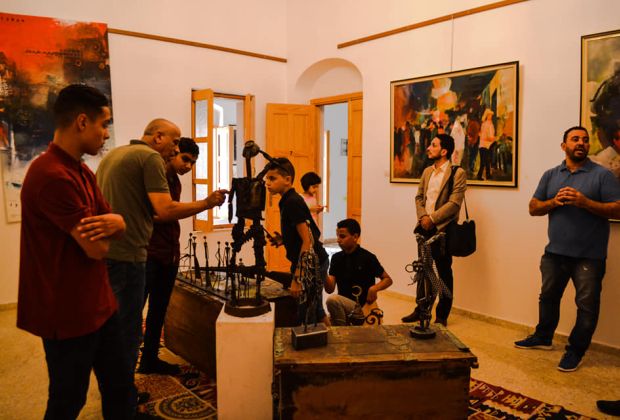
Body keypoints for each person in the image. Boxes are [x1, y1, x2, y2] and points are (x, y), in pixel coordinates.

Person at [17, 84, 134, 419]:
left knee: (120, 386)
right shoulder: (52, 176)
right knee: (68, 399)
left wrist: (119, 222)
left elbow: (115, 222)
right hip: (67, 311)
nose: (106, 133)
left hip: (99, 302)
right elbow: (97, 248)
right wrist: (115, 224)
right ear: (82, 122)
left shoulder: (81, 170)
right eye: (104, 124)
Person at [96, 118, 227, 411]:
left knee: (146, 316)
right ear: (158, 137)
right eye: (176, 145)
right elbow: (162, 212)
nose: (177, 151)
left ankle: (141, 370)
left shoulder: (117, 156)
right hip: (138, 254)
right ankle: (122, 397)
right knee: (128, 326)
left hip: (141, 253)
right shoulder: (150, 160)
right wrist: (207, 203)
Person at [514, 126, 620, 372]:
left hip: (589, 257)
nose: (581, 143)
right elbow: (533, 207)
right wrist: (553, 202)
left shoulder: (603, 175)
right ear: (564, 146)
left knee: (586, 307)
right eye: (575, 139)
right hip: (554, 253)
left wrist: (585, 202)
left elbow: (617, 209)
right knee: (548, 298)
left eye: (584, 140)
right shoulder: (551, 175)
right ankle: (543, 337)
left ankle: (575, 351)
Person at [138, 137, 199, 375]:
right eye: (185, 159)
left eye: (192, 163)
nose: (188, 166)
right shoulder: (156, 178)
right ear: (173, 153)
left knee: (158, 311)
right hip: (149, 254)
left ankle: (149, 360)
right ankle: (124, 372)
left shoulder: (175, 181)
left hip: (168, 254)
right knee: (133, 313)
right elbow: (155, 214)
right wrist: (205, 204)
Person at [401, 133, 466, 326]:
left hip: (442, 231)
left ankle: (442, 316)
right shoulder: (427, 171)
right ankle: (421, 309)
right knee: (423, 271)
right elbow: (419, 197)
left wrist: (432, 219)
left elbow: (454, 203)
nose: (428, 148)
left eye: (433, 145)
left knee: (443, 273)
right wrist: (423, 217)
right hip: (423, 229)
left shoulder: (457, 173)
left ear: (444, 151)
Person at [264, 158, 330, 326]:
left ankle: (318, 340)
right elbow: (301, 234)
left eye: (272, 178)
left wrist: (297, 279)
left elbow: (307, 241)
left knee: (309, 311)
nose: (267, 183)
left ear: (287, 179)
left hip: (313, 263)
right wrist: (283, 239)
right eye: (267, 179)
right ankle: (331, 337)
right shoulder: (286, 200)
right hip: (310, 260)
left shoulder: (293, 202)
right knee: (315, 309)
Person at [325, 218, 393, 326]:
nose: (338, 240)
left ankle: (342, 329)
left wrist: (374, 288)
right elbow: (330, 289)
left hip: (363, 307)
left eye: (342, 236)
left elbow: (388, 279)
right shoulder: (336, 258)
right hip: (344, 305)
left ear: (355, 237)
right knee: (329, 308)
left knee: (332, 300)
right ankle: (343, 327)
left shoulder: (368, 257)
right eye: (337, 236)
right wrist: (322, 272)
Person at [476, 108, 495, 180]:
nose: (491, 116)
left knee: (486, 161)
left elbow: (481, 135)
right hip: (486, 145)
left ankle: (487, 175)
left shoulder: (485, 124)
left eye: (491, 115)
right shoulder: (487, 124)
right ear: (487, 116)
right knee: (484, 161)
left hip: (484, 145)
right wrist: (493, 138)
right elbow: (487, 136)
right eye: (490, 115)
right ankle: (480, 175)